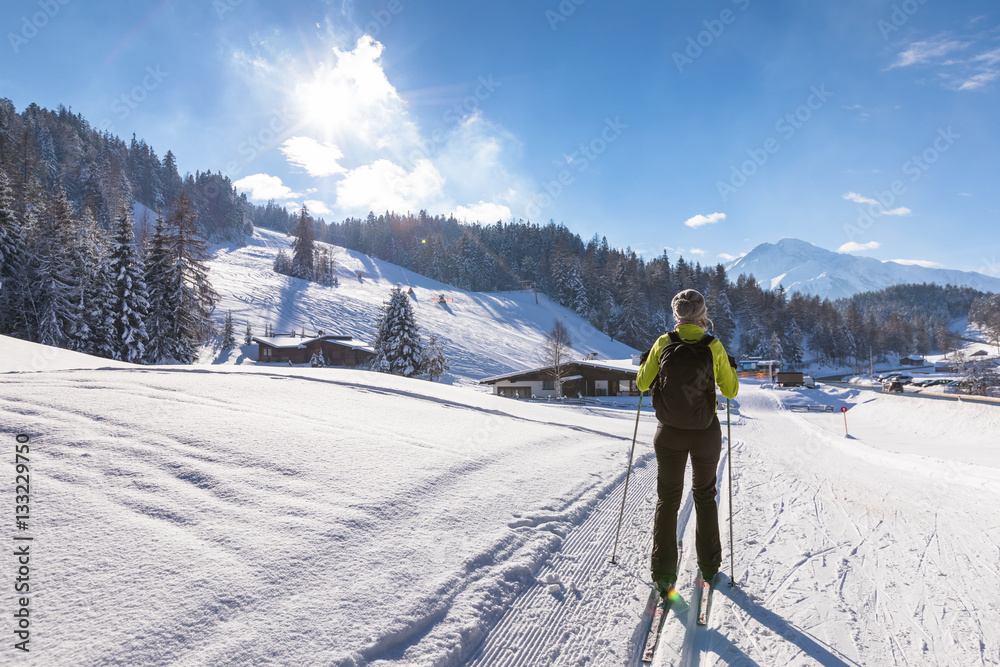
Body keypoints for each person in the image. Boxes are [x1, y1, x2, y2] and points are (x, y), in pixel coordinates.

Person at [636, 289, 739, 594]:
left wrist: (645, 364)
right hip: (706, 431)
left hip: (669, 432)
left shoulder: (664, 343)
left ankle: (663, 574)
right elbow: (731, 392)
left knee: (668, 500)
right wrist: (729, 368)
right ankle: (709, 566)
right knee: (705, 496)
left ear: (676, 314)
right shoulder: (713, 345)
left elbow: (643, 384)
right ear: (702, 315)